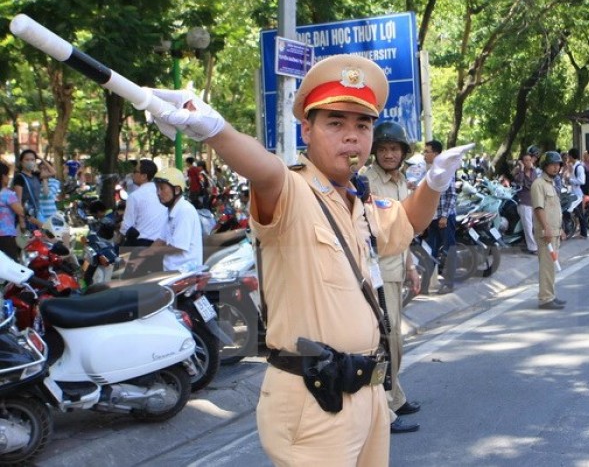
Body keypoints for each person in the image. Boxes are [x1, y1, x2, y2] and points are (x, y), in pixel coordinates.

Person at [144, 54, 468, 466]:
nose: (352, 137)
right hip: (316, 397)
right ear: (307, 130)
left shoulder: (358, 200)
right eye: (336, 123)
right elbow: (264, 171)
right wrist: (216, 130)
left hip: (367, 393)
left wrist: (435, 182)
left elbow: (406, 222)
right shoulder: (294, 189)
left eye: (362, 125)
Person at [364, 121, 422, 434]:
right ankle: (383, 411)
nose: (389, 154)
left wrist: (412, 266)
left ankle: (395, 396)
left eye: (394, 149)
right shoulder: (366, 181)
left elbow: (405, 229)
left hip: (398, 268)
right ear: (376, 151)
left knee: (395, 338)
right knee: (387, 340)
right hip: (377, 273)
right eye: (384, 148)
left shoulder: (401, 182)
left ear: (402, 153)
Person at [531, 151, 566, 310]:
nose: (556, 168)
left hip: (555, 231)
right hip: (546, 233)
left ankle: (550, 295)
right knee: (546, 266)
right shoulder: (538, 184)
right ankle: (545, 298)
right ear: (545, 166)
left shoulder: (551, 184)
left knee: (551, 266)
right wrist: (546, 228)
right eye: (553, 165)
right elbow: (539, 208)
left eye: (558, 165)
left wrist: (561, 229)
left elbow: (555, 209)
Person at [151, 167, 203, 271]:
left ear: (177, 190)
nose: (158, 193)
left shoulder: (184, 210)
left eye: (162, 188)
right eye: (157, 189)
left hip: (184, 274)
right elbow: (161, 239)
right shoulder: (172, 210)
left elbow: (177, 247)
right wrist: (141, 256)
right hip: (172, 271)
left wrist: (151, 252)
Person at [423, 139, 458, 295]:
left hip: (445, 217)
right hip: (432, 217)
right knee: (430, 250)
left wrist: (444, 216)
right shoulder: (429, 170)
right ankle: (424, 285)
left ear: (435, 154)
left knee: (449, 250)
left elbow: (451, 195)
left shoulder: (445, 170)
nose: (424, 154)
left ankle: (448, 283)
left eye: (426, 151)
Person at [118, 159, 168, 246]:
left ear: (144, 176)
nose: (132, 174)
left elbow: (126, 226)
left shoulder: (135, 196)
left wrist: (117, 240)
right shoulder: (162, 193)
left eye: (135, 171)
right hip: (163, 244)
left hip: (141, 244)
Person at [512, 153, 538, 254]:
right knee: (527, 226)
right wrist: (522, 169)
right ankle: (532, 247)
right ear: (522, 162)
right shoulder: (519, 172)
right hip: (523, 201)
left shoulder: (533, 171)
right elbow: (519, 182)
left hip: (533, 201)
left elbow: (534, 184)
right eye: (525, 160)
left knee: (535, 225)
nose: (528, 162)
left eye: (529, 160)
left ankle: (537, 244)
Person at [0, 162, 26, 261]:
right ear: (3, 177)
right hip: (6, 237)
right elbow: (21, 212)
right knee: (10, 267)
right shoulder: (8, 194)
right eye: (8, 175)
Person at [12, 149, 44, 229]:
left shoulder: (36, 176)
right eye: (27, 159)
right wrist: (21, 222)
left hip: (37, 214)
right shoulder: (19, 177)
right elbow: (18, 201)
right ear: (21, 162)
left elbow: (53, 172)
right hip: (26, 217)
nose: (30, 162)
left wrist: (41, 159)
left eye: (32, 159)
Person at [567, 148, 589, 238]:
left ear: (571, 156)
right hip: (574, 193)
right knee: (578, 214)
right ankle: (581, 232)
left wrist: (570, 180)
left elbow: (582, 181)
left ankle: (583, 233)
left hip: (578, 194)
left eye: (569, 155)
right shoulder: (574, 166)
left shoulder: (579, 167)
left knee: (580, 214)